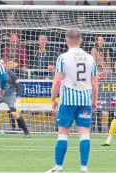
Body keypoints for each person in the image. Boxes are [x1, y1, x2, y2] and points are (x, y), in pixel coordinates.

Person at [46, 29, 98, 173]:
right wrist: (95, 100)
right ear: (81, 40)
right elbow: (94, 83)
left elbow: (57, 81)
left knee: (63, 133)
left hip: (68, 101)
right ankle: (84, 167)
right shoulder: (90, 58)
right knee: (84, 133)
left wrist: (52, 99)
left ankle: (58, 166)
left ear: (67, 40)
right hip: (84, 101)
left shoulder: (63, 58)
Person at [0, 63, 31, 137]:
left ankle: (26, 132)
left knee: (14, 114)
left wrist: (18, 98)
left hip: (10, 96)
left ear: (5, 65)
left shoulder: (11, 73)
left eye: (3, 63)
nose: (1, 65)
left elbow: (19, 86)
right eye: (0, 63)